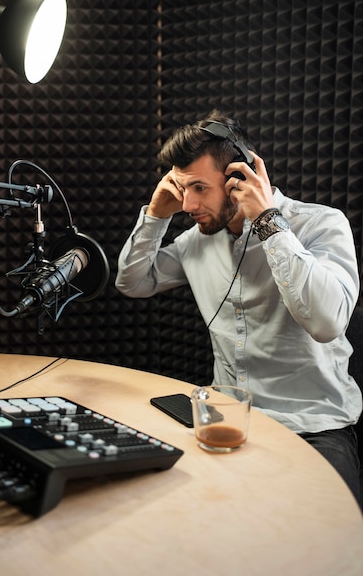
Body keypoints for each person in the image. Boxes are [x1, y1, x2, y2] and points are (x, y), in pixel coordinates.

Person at [115, 108, 362, 507]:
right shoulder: (196, 241)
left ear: (238, 178)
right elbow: (132, 281)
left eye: (198, 188)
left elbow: (327, 322)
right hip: (227, 418)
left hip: (314, 428)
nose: (189, 204)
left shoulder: (321, 225)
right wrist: (156, 215)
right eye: (180, 188)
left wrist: (267, 221)